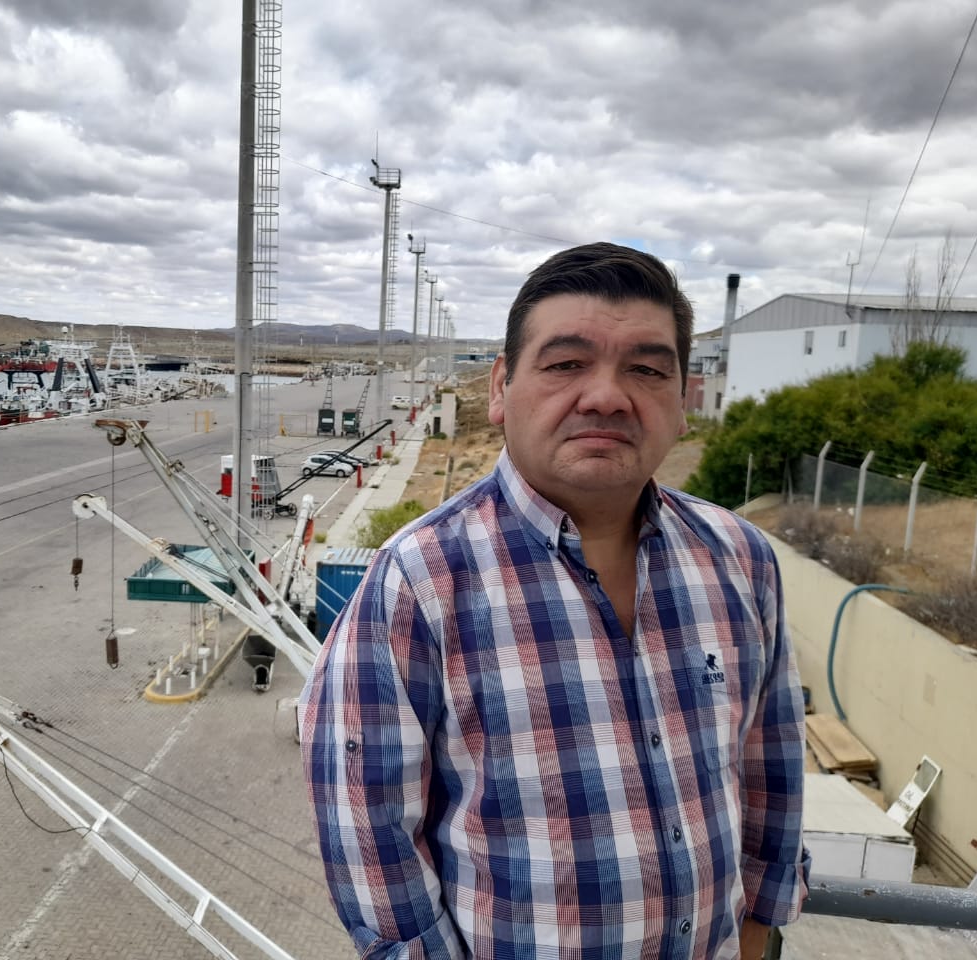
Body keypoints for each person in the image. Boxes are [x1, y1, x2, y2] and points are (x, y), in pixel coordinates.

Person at [298, 242, 808, 959]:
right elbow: (368, 833)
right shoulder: (418, 581)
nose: (606, 395)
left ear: (683, 400)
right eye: (567, 363)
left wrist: (757, 937)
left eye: (647, 369)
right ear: (501, 388)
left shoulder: (742, 560)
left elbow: (771, 775)